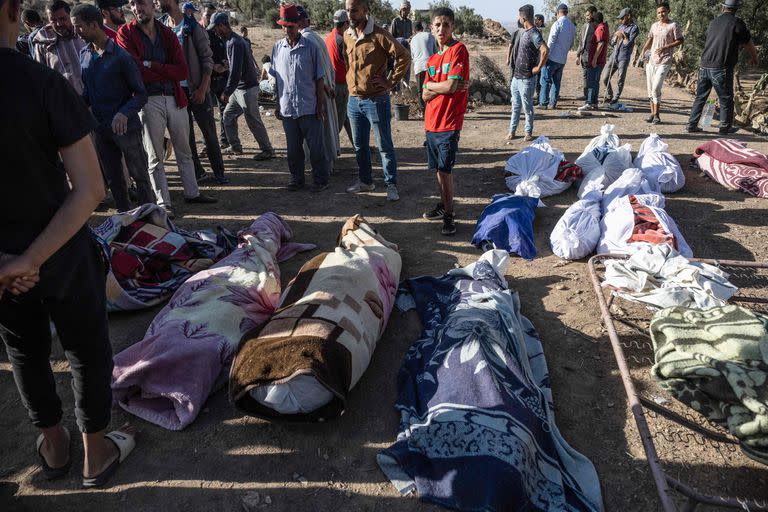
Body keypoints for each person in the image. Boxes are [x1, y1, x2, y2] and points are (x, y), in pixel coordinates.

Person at [1, 0, 138, 488]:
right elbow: (91, 189)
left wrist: (8, 266)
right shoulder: (42, 84)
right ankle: (94, 453)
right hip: (57, 250)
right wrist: (31, 259)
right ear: (16, 11)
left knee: (26, 351)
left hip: (6, 272)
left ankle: (54, 447)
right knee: (84, 348)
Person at [118, 0, 217, 218]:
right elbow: (134, 71)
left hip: (174, 97)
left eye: (141, 3)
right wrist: (162, 69)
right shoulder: (125, 33)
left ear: (152, 6)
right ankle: (164, 203)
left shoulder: (167, 33)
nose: (137, 8)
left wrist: (150, 64)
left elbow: (182, 71)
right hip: (147, 100)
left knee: (184, 150)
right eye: (133, 4)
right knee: (155, 156)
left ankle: (192, 192)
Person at [73, 3, 154, 212]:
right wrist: (73, 108)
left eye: (79, 26)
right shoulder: (84, 55)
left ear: (93, 24)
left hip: (126, 129)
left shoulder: (121, 57)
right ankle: (125, 219)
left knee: (140, 177)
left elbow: (141, 94)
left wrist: (124, 113)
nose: (76, 32)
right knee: (115, 180)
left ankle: (150, 221)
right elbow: (88, 94)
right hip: (101, 129)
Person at [344, 0, 411, 201]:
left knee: (384, 145)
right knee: (360, 145)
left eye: (354, 10)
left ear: (365, 11)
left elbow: (404, 56)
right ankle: (366, 181)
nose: (350, 15)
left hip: (376, 100)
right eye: (348, 10)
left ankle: (391, 184)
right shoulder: (347, 35)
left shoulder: (380, 34)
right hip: (354, 101)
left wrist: (389, 82)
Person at [159, 0, 228, 184]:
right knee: (185, 136)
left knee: (209, 133)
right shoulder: (161, 26)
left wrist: (203, 89)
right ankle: (198, 173)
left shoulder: (193, 27)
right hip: (175, 92)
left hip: (197, 89)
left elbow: (207, 60)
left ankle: (219, 173)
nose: (157, 2)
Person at [420, 7, 469, 237]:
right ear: (431, 28)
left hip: (449, 123)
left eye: (446, 24)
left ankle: (449, 215)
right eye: (437, 25)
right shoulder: (432, 58)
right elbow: (424, 94)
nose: (441, 29)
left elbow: (451, 86)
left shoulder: (458, 50)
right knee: (438, 170)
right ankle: (443, 206)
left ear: (453, 27)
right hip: (431, 123)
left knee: (445, 170)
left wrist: (435, 86)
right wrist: (436, 87)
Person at [270, 3, 328, 192]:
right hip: (288, 108)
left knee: (316, 148)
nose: (288, 30)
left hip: (310, 107)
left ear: (298, 25)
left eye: (291, 26)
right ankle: (296, 179)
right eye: (285, 26)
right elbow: (277, 80)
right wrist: (278, 103)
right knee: (293, 150)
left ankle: (320, 180)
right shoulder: (277, 48)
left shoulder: (311, 47)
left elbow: (320, 79)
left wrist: (320, 105)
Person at [209, 12, 275, 160]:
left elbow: (236, 72)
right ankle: (235, 146)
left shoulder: (235, 42)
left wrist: (226, 91)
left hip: (247, 89)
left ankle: (268, 150)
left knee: (253, 120)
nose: (215, 32)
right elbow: (234, 66)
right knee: (228, 116)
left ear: (222, 26)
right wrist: (227, 65)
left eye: (216, 28)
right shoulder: (230, 41)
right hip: (239, 89)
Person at [686, 0, 757, 134]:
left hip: (704, 65)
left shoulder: (713, 22)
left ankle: (691, 125)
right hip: (721, 67)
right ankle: (725, 127)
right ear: (736, 9)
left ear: (723, 8)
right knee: (725, 98)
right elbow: (748, 42)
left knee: (700, 97)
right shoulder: (737, 22)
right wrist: (754, 57)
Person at [296, 5, 340, 169]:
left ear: (300, 22)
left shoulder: (306, 40)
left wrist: (326, 88)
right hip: (325, 89)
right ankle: (328, 164)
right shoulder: (316, 37)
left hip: (319, 92)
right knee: (326, 129)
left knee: (319, 133)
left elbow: (315, 71)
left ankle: (324, 168)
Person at [508, 4, 548, 142]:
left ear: (523, 18)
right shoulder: (523, 32)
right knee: (515, 106)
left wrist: (538, 67)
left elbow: (545, 50)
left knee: (527, 107)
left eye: (519, 16)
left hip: (526, 79)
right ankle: (512, 131)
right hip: (516, 77)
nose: (518, 19)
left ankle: (528, 132)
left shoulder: (534, 33)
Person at [639, 2, 683, 124]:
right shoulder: (654, 25)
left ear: (668, 11)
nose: (661, 14)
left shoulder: (673, 25)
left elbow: (680, 40)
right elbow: (650, 38)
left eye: (663, 11)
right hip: (652, 60)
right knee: (650, 88)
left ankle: (657, 115)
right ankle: (652, 114)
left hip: (665, 60)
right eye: (658, 12)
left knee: (656, 87)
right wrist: (643, 50)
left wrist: (666, 47)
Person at [30, 1, 86, 94]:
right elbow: (40, 78)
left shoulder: (83, 32)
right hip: (65, 102)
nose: (59, 24)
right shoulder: (43, 43)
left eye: (63, 18)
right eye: (53, 20)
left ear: (70, 16)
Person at [325, 9, 354, 144]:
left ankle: (357, 144)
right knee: (338, 122)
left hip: (331, 83)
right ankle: (329, 150)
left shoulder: (330, 37)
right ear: (346, 24)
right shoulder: (342, 40)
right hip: (341, 85)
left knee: (346, 116)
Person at [540, 3, 575, 110]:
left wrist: (546, 56)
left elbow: (551, 42)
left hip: (552, 58)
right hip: (562, 59)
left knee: (545, 80)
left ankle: (543, 102)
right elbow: (571, 44)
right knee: (557, 82)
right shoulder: (572, 26)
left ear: (559, 12)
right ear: (566, 12)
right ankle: (553, 103)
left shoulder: (557, 24)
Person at [602, 7, 638, 105]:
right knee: (605, 77)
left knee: (620, 79)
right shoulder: (620, 27)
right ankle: (609, 95)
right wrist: (615, 38)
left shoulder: (634, 28)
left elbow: (628, 44)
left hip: (624, 57)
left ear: (629, 16)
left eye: (622, 18)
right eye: (620, 18)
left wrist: (624, 36)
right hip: (614, 55)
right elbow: (612, 43)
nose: (620, 20)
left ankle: (615, 98)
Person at [205, 3, 228, 149]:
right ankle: (209, 144)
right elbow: (201, 57)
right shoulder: (203, 34)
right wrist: (214, 66)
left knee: (225, 111)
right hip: (209, 78)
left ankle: (225, 140)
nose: (209, 18)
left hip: (223, 79)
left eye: (211, 15)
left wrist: (225, 65)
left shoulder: (224, 35)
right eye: (207, 15)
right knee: (207, 113)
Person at [578, 11, 607, 111]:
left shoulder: (599, 29)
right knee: (595, 82)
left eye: (592, 22)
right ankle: (594, 103)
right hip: (600, 61)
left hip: (596, 61)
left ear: (595, 21)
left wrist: (594, 58)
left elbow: (601, 44)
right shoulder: (604, 27)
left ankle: (589, 102)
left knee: (590, 82)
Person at [410, 20, 438, 113]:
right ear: (422, 28)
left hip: (419, 67)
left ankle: (423, 111)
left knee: (420, 91)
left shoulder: (413, 40)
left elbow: (413, 56)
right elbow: (435, 52)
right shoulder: (430, 36)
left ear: (414, 30)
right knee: (432, 88)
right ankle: (433, 110)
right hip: (431, 67)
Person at [575, 5, 597, 101]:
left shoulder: (597, 26)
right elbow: (581, 41)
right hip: (583, 54)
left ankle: (591, 98)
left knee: (591, 76)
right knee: (584, 75)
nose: (586, 17)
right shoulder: (584, 26)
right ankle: (585, 95)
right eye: (586, 15)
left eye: (588, 15)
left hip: (591, 55)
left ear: (593, 14)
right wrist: (578, 55)